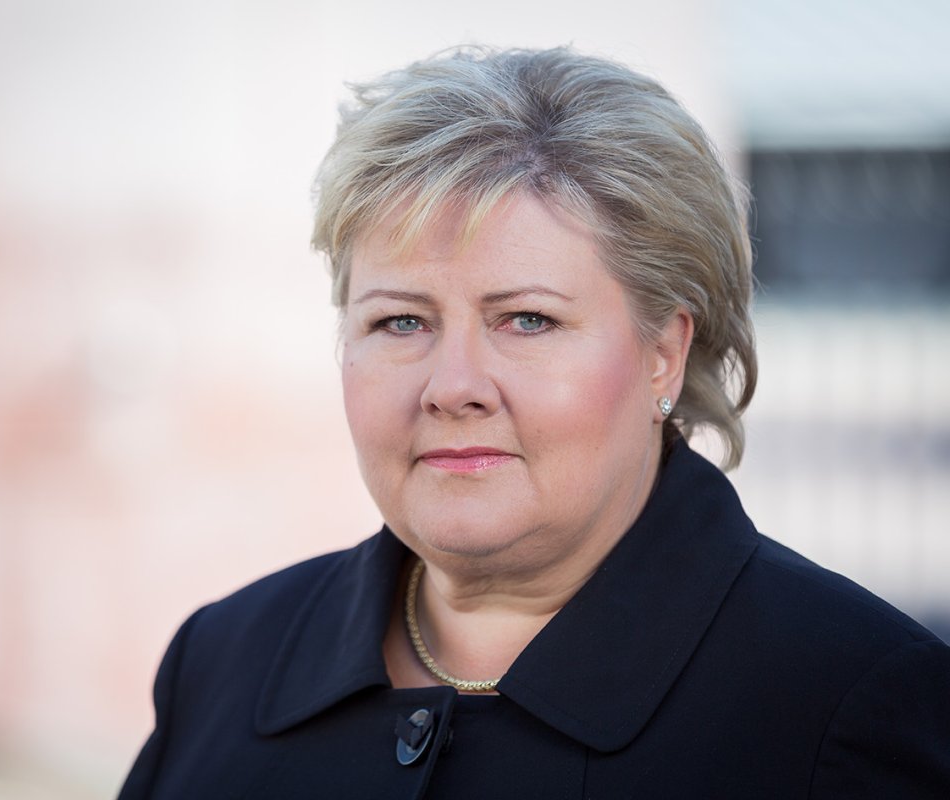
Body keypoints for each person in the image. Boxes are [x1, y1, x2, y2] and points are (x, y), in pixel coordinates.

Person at [117, 47, 950, 798]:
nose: (453, 387)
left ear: (663, 354)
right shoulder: (222, 663)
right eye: (400, 321)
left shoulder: (849, 706)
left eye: (527, 320)